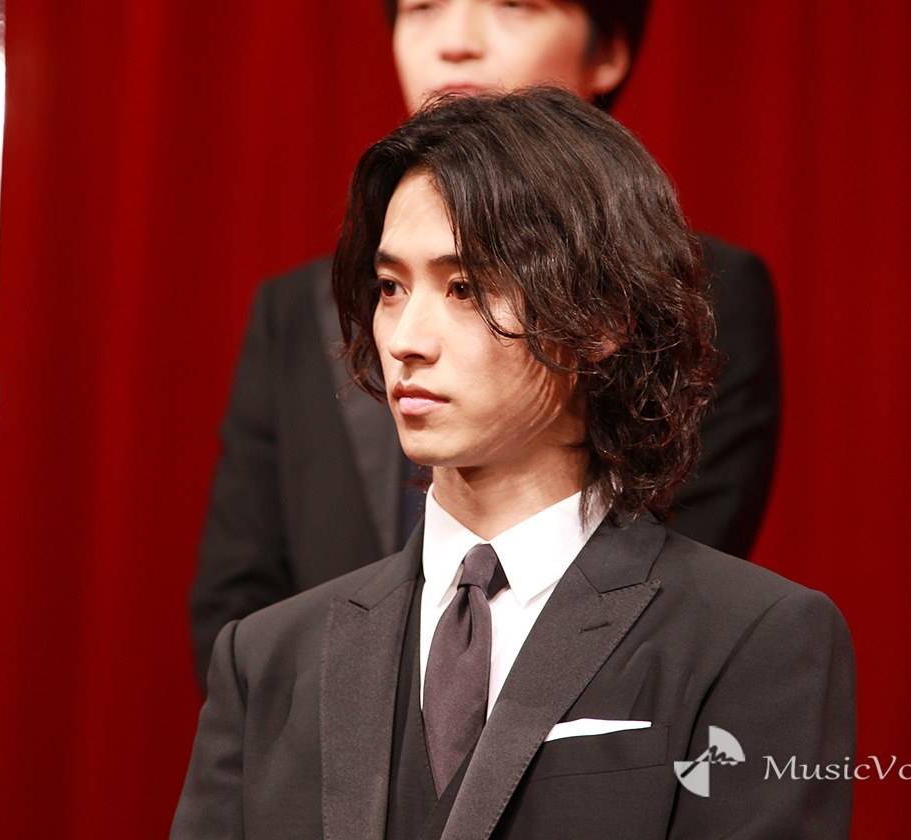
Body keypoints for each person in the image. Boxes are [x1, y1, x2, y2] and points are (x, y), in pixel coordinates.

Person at [172, 89, 853, 839]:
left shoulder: (752, 637)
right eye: (391, 288)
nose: (406, 339)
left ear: (600, 319)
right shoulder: (266, 656)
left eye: (464, 288)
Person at [190, 0, 781, 689]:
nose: (457, 43)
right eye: (423, 7)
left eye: (512, 5)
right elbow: (241, 611)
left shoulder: (700, 292)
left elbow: (678, 591)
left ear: (608, 53)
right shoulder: (296, 309)